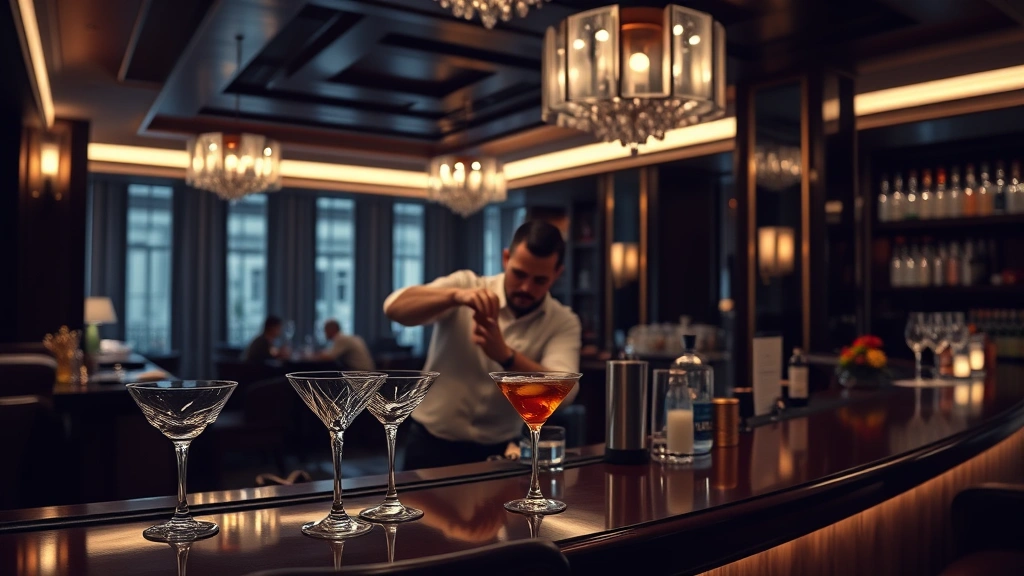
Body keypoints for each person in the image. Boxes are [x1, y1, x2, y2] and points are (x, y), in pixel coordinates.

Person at [384, 220, 581, 470]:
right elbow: (394, 308)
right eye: (519, 274)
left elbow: (567, 393)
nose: (525, 287)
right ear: (506, 258)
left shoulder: (563, 321)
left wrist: (506, 357)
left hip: (499, 450)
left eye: (539, 280)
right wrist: (455, 296)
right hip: (430, 442)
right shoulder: (467, 285)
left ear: (557, 274)